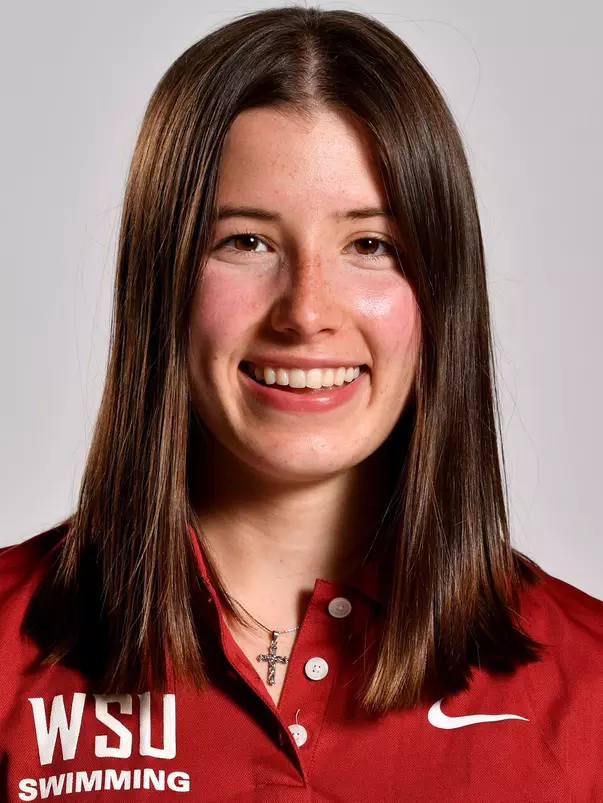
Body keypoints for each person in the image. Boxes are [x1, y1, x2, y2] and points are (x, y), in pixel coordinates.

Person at [1, 5, 601, 801]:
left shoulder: (588, 694)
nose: (306, 311)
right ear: (162, 282)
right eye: (245, 241)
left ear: (440, 293)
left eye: (370, 244)